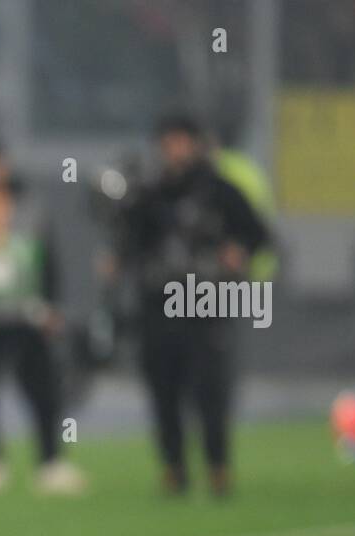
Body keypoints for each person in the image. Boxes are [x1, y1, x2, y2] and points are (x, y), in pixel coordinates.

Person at [122, 114, 268, 496]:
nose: (175, 149)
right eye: (168, 141)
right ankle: (173, 468)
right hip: (158, 304)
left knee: (210, 390)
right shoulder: (149, 194)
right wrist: (117, 259)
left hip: (207, 302)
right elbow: (129, 240)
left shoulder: (221, 191)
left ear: (196, 144)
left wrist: (240, 250)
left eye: (182, 140)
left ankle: (218, 467)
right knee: (163, 388)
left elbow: (258, 234)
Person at [0, 139, 85, 495]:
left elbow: (48, 257)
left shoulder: (31, 205)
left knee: (42, 390)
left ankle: (50, 462)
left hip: (28, 314)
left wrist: (52, 306)